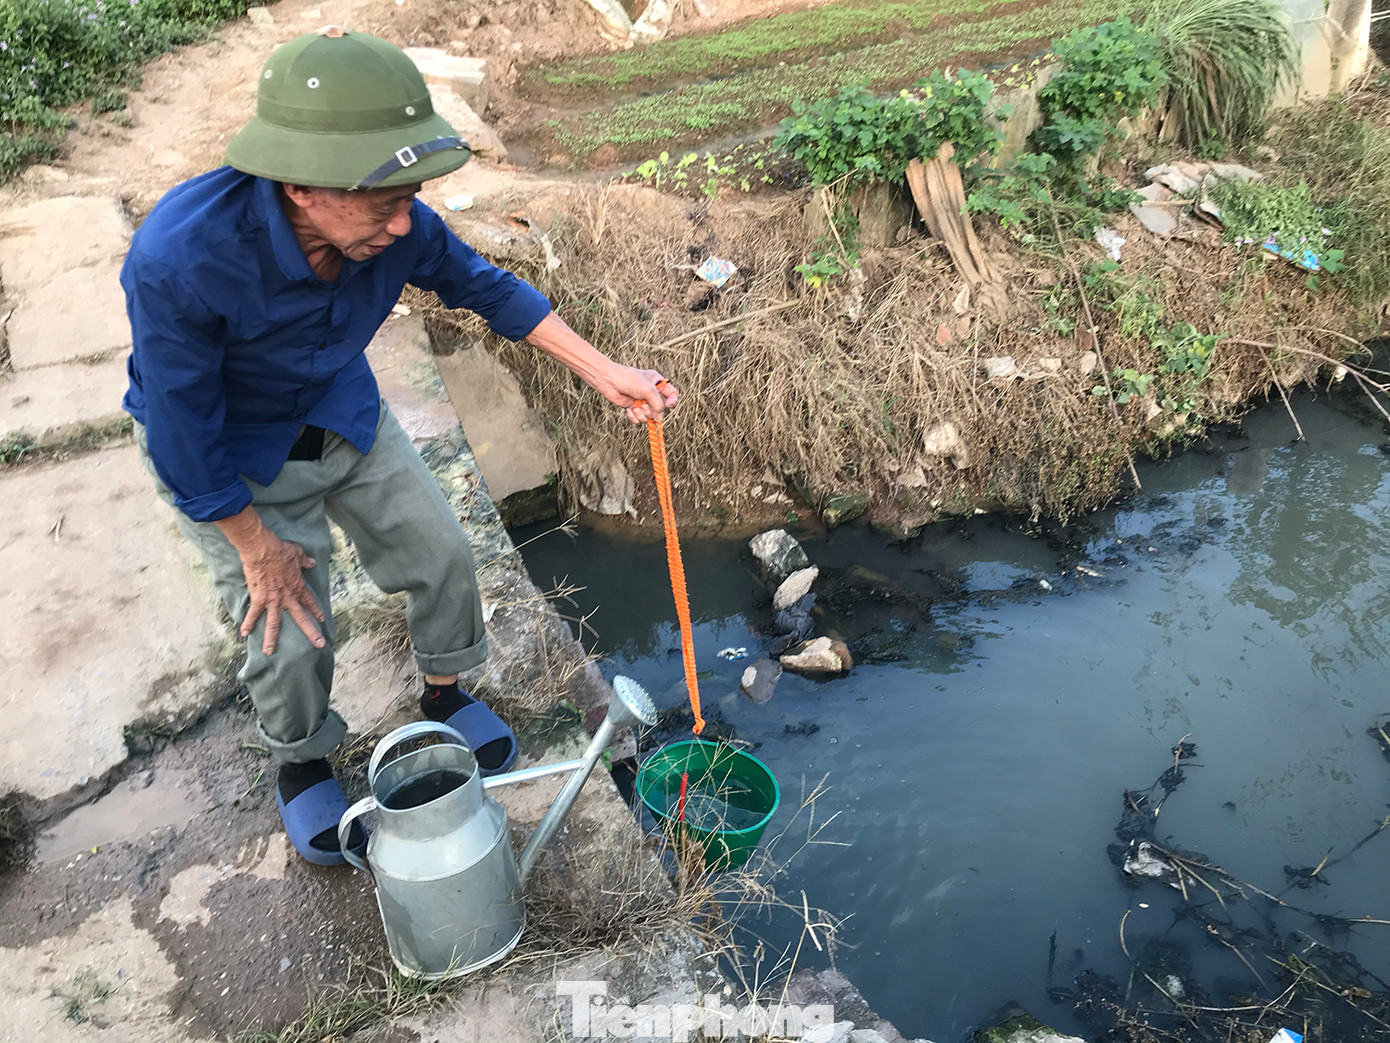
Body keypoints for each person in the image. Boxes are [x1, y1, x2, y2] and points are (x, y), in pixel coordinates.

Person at [120, 27, 677, 866]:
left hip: (343, 411)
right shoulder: (182, 257)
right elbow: (179, 426)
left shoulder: (398, 226)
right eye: (384, 199)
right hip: (231, 454)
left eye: (411, 194)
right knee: (288, 627)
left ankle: (445, 696)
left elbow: (487, 288)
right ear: (303, 186)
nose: (404, 220)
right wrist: (255, 544)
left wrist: (608, 373)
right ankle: (303, 759)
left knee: (443, 551)